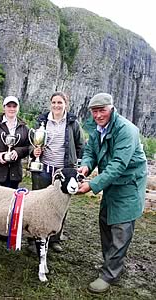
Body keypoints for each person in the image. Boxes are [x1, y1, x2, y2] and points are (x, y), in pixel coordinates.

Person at [78, 93, 147, 293]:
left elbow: (118, 165)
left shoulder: (126, 130)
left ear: (111, 108)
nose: (98, 115)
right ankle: (112, 266)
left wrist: (91, 185)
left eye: (102, 110)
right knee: (106, 222)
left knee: (121, 229)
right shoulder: (96, 128)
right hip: (110, 183)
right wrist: (85, 167)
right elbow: (90, 151)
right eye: (95, 111)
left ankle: (109, 275)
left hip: (127, 184)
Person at [28, 91, 84, 253]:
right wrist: (34, 152)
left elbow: (81, 145)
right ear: (50, 103)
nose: (56, 105)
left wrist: (79, 166)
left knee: (60, 205)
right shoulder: (41, 121)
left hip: (64, 172)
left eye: (60, 102)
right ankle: (34, 239)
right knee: (37, 204)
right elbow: (31, 141)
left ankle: (54, 239)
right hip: (43, 168)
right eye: (54, 102)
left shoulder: (73, 123)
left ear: (66, 104)